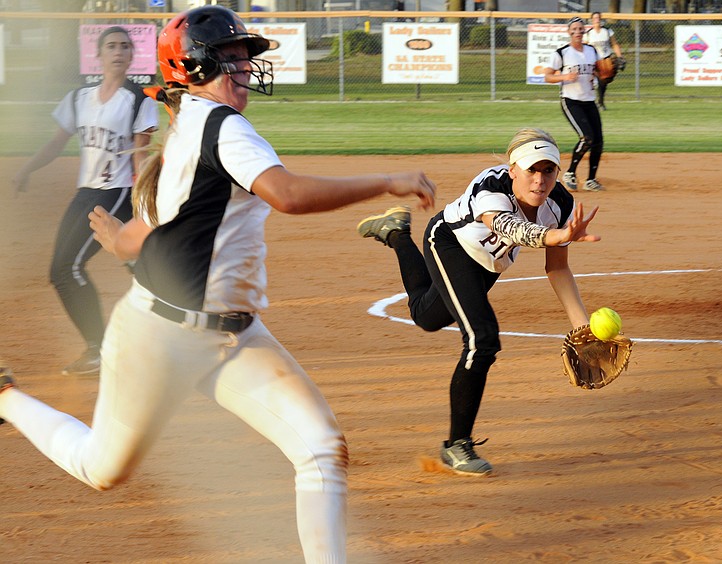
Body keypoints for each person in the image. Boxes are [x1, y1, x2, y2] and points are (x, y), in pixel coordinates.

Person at [0, 6, 435, 563]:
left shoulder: (187, 132)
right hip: (160, 337)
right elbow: (288, 195)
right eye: (229, 59)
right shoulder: (220, 126)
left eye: (244, 58)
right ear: (193, 68)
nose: (245, 69)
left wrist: (120, 242)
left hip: (235, 336)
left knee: (322, 449)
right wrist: (387, 180)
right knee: (102, 470)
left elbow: (152, 226)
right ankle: (7, 397)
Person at [356, 128, 599, 477]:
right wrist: (556, 236)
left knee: (426, 317)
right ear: (513, 169)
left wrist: (582, 327)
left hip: (490, 262)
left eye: (549, 170)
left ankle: (395, 232)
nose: (540, 180)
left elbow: (557, 268)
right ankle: (456, 446)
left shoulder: (560, 204)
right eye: (531, 170)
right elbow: (509, 228)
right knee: (481, 339)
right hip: (451, 244)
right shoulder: (491, 186)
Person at [11, 26, 159, 376]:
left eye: (125, 46)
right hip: (87, 193)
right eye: (111, 46)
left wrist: (145, 207)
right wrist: (26, 169)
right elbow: (56, 144)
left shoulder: (140, 100)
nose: (119, 51)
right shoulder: (79, 98)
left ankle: (100, 350)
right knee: (127, 265)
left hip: (118, 192)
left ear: (132, 55)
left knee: (67, 268)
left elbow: (141, 158)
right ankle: (164, 310)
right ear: (98, 54)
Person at [543, 16, 606, 192]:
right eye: (574, 29)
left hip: (588, 100)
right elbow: (548, 76)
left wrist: (599, 75)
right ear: (569, 32)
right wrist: (564, 76)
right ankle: (570, 173)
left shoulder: (591, 51)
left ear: (584, 31)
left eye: (580, 29)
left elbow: (598, 71)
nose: (578, 32)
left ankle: (591, 180)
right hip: (570, 101)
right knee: (587, 137)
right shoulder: (562, 53)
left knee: (598, 141)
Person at [584, 12, 623, 111]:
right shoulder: (589, 33)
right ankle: (598, 103)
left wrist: (620, 56)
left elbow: (614, 44)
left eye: (598, 18)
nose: (597, 19)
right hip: (595, 60)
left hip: (606, 59)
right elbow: (585, 47)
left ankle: (600, 102)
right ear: (592, 20)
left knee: (604, 81)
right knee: (598, 81)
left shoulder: (607, 31)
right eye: (595, 18)